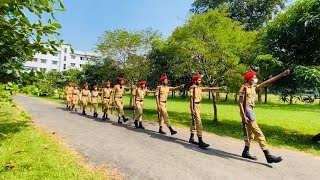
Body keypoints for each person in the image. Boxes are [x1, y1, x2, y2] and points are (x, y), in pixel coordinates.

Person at [239, 69, 290, 163]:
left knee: (250, 134)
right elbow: (240, 103)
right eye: (254, 77)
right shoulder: (244, 88)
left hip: (251, 111)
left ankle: (245, 152)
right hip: (247, 112)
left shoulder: (254, 86)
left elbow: (267, 82)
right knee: (259, 134)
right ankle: (268, 156)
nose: (256, 79)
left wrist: (281, 74)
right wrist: (243, 116)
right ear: (250, 79)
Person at [189, 74, 227, 149]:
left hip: (198, 106)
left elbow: (209, 88)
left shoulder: (199, 88)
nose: (200, 81)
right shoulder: (192, 88)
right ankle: (200, 141)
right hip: (194, 106)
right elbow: (191, 99)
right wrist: (192, 109)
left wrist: (220, 88)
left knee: (194, 122)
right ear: (195, 80)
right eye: (199, 80)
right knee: (199, 122)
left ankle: (191, 138)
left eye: (200, 80)